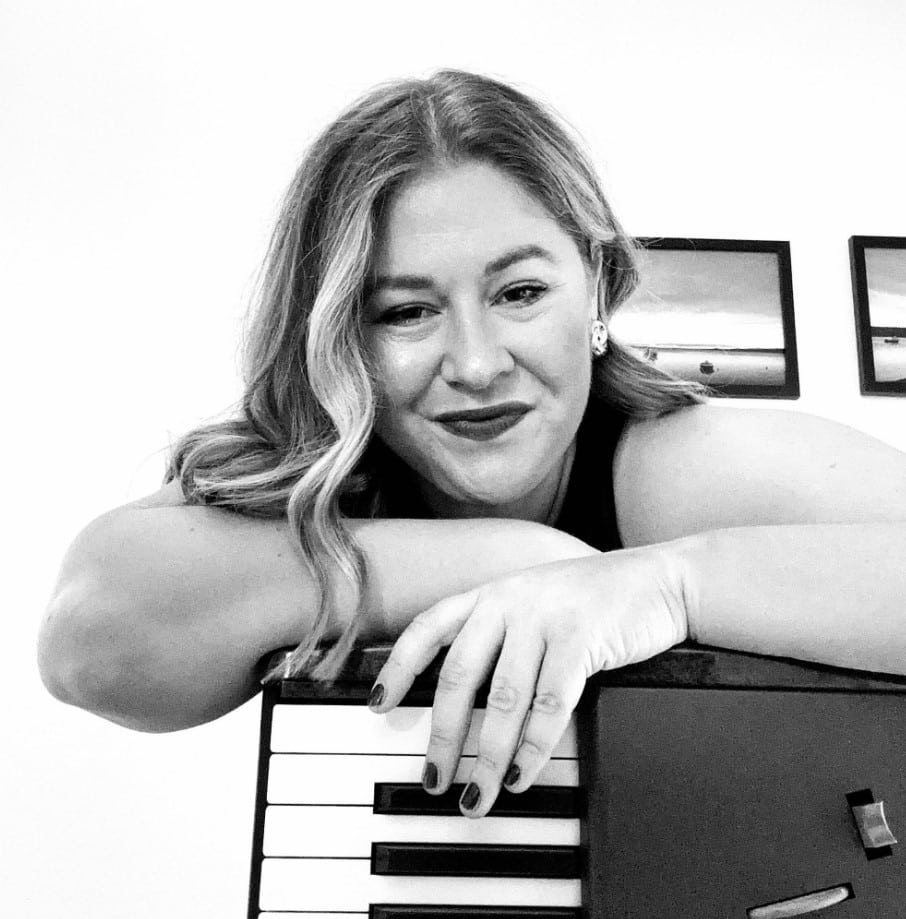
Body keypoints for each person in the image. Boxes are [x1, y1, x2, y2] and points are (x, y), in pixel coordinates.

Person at [38, 70, 906, 821]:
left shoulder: (678, 464)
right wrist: (510, 555)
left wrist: (670, 582)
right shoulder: (322, 468)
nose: (479, 363)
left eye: (520, 291)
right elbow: (92, 649)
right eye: (406, 311)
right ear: (341, 337)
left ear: (598, 288)